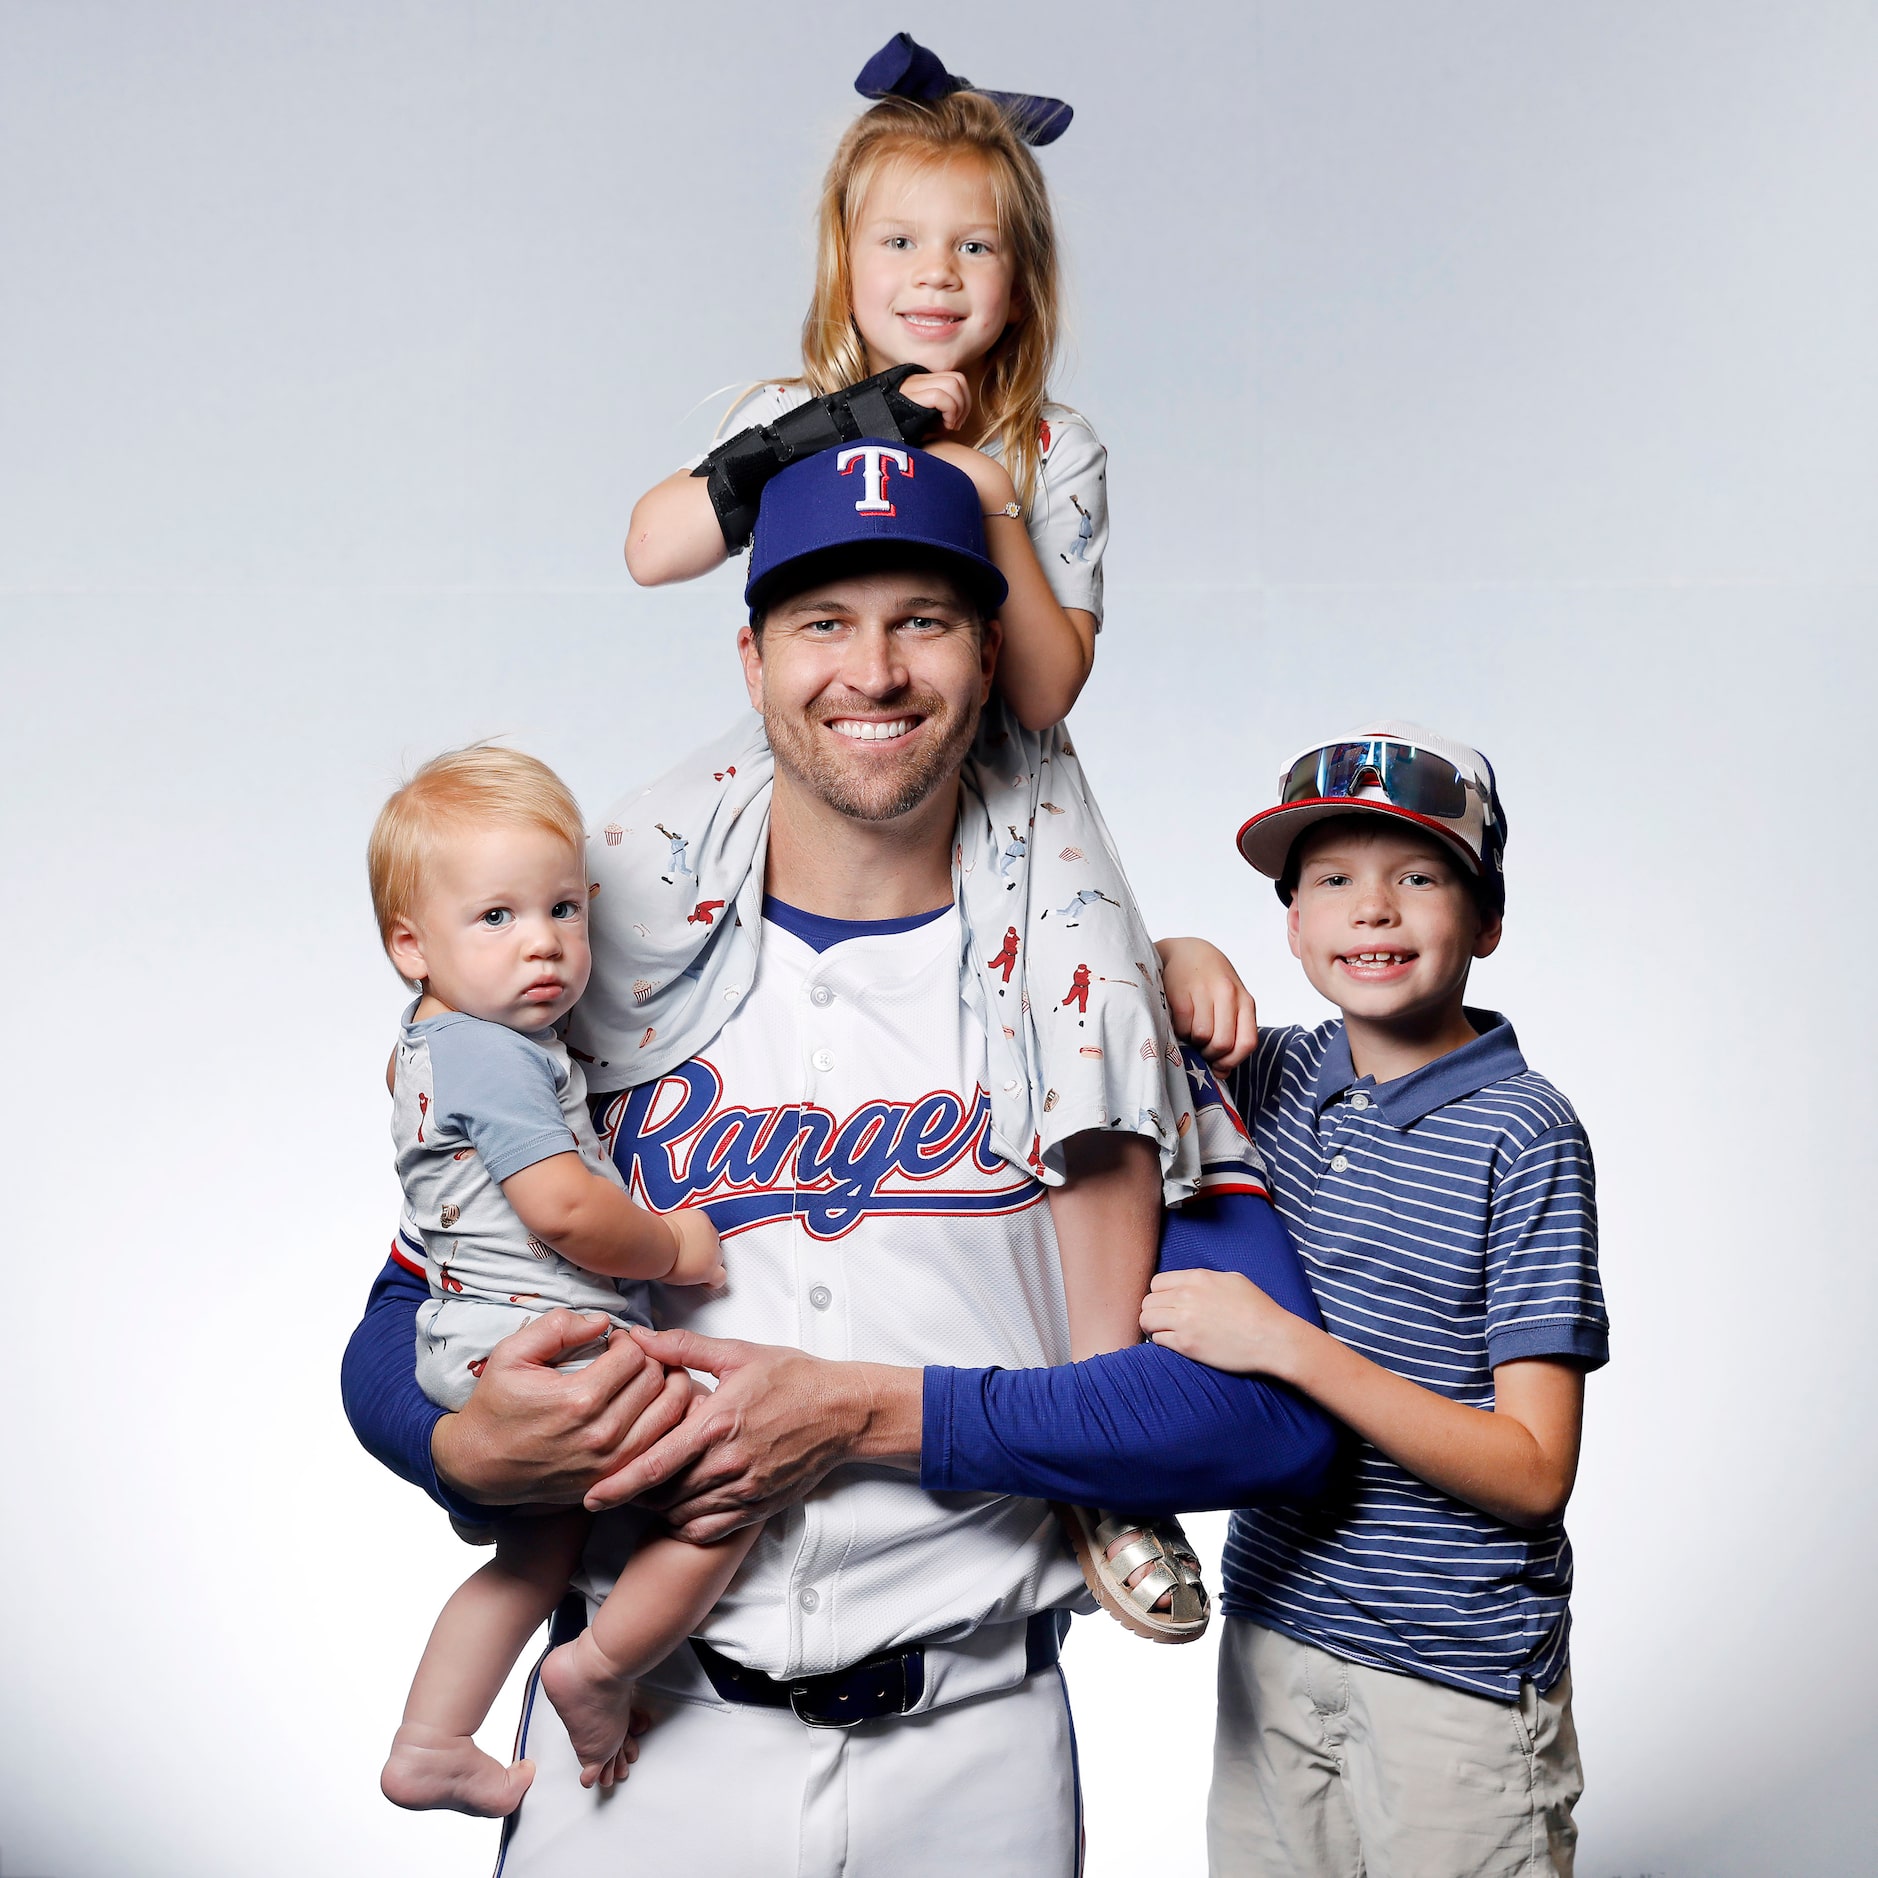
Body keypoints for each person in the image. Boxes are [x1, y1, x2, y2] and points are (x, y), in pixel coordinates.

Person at [342, 446, 1337, 1874]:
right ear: (749, 660)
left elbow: (1271, 1418)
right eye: (821, 623)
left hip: (971, 1742)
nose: (870, 671)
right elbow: (400, 1315)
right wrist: (455, 1441)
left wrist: (880, 1414)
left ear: (991, 654)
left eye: (922, 620)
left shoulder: (1091, 993)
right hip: (638, 1743)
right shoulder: (590, 978)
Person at [616, 44, 1213, 1613]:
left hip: (1006, 790)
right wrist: (823, 433)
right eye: (899, 240)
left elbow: (1042, 678)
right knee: (592, 923)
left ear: (1023, 276)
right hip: (805, 770)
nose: (934, 275)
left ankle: (1101, 1447)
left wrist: (980, 490)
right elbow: (650, 546)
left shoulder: (1051, 444)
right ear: (842, 259)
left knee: (1092, 1036)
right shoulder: (783, 408)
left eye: (973, 244)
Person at [1148, 725, 1607, 1877]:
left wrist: (1289, 1350)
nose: (1375, 911)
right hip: (1274, 1632)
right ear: (1294, 925)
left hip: (1451, 1674)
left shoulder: (1527, 1133)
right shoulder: (1279, 1077)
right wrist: (1180, 951)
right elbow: (1093, 1007)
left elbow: (1532, 1469)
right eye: (1334, 881)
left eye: (1418, 876)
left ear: (1486, 922)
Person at [366, 746, 745, 1814]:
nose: (545, 944)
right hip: (543, 1333)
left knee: (536, 1558)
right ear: (412, 945)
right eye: (497, 918)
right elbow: (564, 1211)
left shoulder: (437, 1041)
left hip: (474, 1336)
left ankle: (433, 1741)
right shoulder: (493, 1053)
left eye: (566, 910)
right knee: (733, 1475)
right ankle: (597, 1666)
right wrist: (672, 1248)